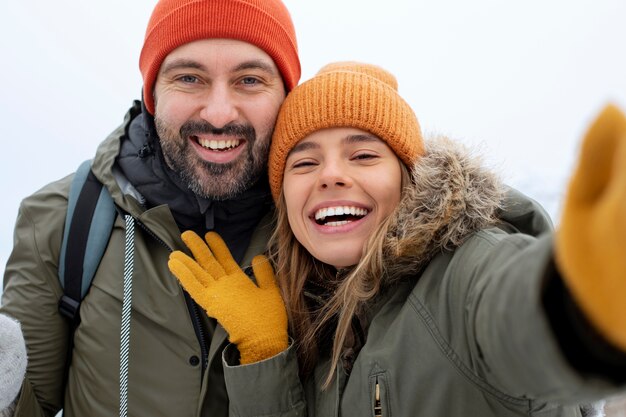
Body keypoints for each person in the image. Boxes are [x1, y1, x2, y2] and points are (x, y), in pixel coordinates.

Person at [168, 62, 626, 416]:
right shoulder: (313, 328)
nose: (330, 175)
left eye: (364, 155)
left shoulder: (464, 274)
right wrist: (267, 356)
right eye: (304, 163)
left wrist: (582, 296)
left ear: (409, 180)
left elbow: (517, 311)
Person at [0, 0, 300, 415]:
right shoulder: (64, 217)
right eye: (189, 78)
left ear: (286, 94)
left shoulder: (320, 232)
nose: (218, 113)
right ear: (152, 94)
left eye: (249, 80)